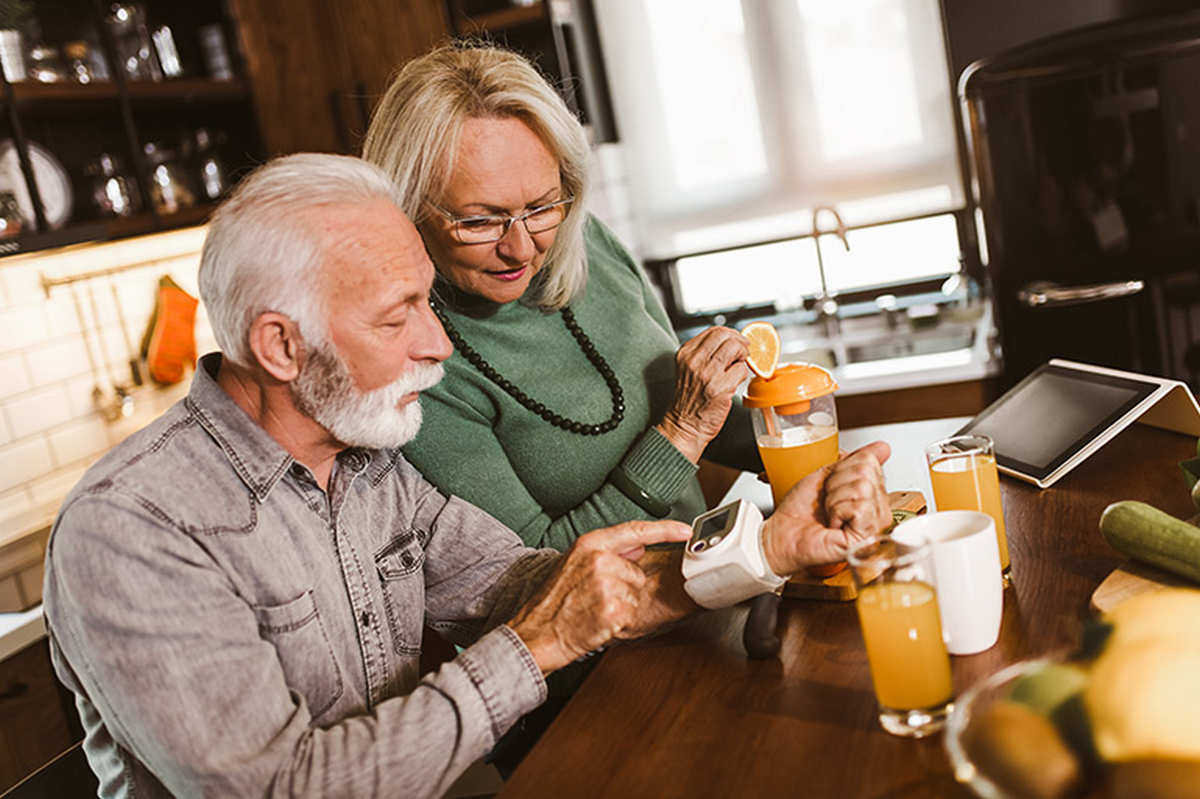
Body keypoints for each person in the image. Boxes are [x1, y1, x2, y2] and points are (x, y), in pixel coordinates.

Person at [42, 153, 893, 798]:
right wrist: (539, 644)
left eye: (428, 302)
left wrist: (773, 544)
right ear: (279, 345)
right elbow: (281, 788)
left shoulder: (370, 468)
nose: (439, 345)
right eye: (397, 315)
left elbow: (537, 582)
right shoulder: (132, 529)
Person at [362, 43, 764, 552]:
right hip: (607, 629)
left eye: (541, 207)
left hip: (709, 582)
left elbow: (702, 413)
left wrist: (809, 447)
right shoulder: (416, 366)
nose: (521, 248)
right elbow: (534, 563)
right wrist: (681, 432)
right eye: (480, 220)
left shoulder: (587, 240)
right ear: (407, 206)